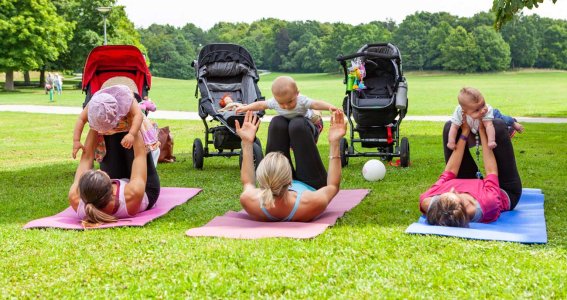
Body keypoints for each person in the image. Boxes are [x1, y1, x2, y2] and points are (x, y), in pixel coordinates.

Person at [235, 110, 346, 222]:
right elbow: (333, 186)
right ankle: (313, 128)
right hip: (311, 185)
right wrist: (334, 142)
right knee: (298, 125)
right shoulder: (310, 202)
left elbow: (248, 182)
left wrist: (247, 142)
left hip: (276, 186)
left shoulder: (250, 200)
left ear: (262, 180)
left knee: (277, 122)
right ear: (290, 180)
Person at [419, 118, 522, 227]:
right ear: (465, 205)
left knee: (451, 127)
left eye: (440, 197)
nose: (453, 189)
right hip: (503, 189)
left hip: (472, 185)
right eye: (455, 194)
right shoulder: (488, 203)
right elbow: (491, 171)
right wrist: (483, 131)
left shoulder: (429, 200)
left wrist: (465, 131)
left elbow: (450, 171)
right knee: (497, 126)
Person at [68, 128, 161, 227]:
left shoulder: (75, 197)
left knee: (110, 128)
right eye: (100, 173)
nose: (99, 170)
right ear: (111, 189)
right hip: (146, 189)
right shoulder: (132, 194)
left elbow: (86, 158)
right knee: (128, 133)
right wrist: (133, 125)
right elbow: (140, 154)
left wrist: (95, 125)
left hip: (118, 185)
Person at [72, 85, 160, 166]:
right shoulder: (94, 105)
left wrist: (131, 134)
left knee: (140, 154)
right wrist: (76, 140)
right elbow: (81, 119)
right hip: (111, 137)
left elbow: (138, 115)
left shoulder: (126, 100)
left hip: (132, 125)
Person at [236, 76, 338, 142]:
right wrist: (245, 107)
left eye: (290, 102)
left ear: (297, 94)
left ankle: (317, 115)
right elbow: (261, 105)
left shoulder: (301, 100)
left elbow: (316, 103)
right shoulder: (274, 102)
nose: (286, 106)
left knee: (312, 118)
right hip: (293, 124)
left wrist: (330, 106)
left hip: (313, 123)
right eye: (281, 103)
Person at [447, 87, 524, 150]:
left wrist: (491, 141)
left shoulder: (487, 110)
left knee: (504, 120)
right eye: (477, 110)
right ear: (465, 111)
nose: (483, 110)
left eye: (483, 104)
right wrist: (451, 142)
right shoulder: (459, 112)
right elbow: (454, 127)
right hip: (474, 125)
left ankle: (513, 123)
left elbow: (489, 126)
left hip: (494, 115)